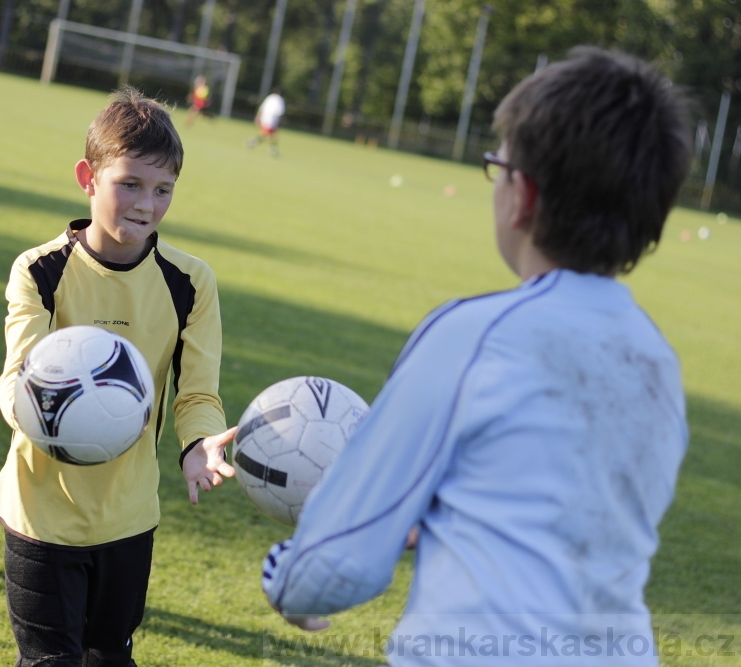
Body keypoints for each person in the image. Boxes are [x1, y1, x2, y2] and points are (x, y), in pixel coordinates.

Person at [261, 47, 692, 666]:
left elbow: (335, 561)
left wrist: (289, 577)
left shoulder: (474, 334)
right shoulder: (658, 360)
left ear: (525, 198)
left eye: (500, 166)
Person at [0, 86, 237, 667]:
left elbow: (197, 391)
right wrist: (37, 410)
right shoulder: (40, 270)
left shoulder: (190, 282)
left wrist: (199, 445)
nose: (146, 204)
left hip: (129, 516)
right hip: (41, 511)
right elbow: (15, 377)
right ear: (88, 177)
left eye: (162, 189)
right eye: (130, 183)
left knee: (108, 659)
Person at [246, 88, 285, 156]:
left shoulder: (269, 97)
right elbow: (279, 112)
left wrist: (258, 117)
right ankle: (252, 142)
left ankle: (273, 149)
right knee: (267, 135)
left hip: (264, 118)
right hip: (272, 120)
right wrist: (280, 122)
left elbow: (262, 108)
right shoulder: (280, 100)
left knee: (271, 136)